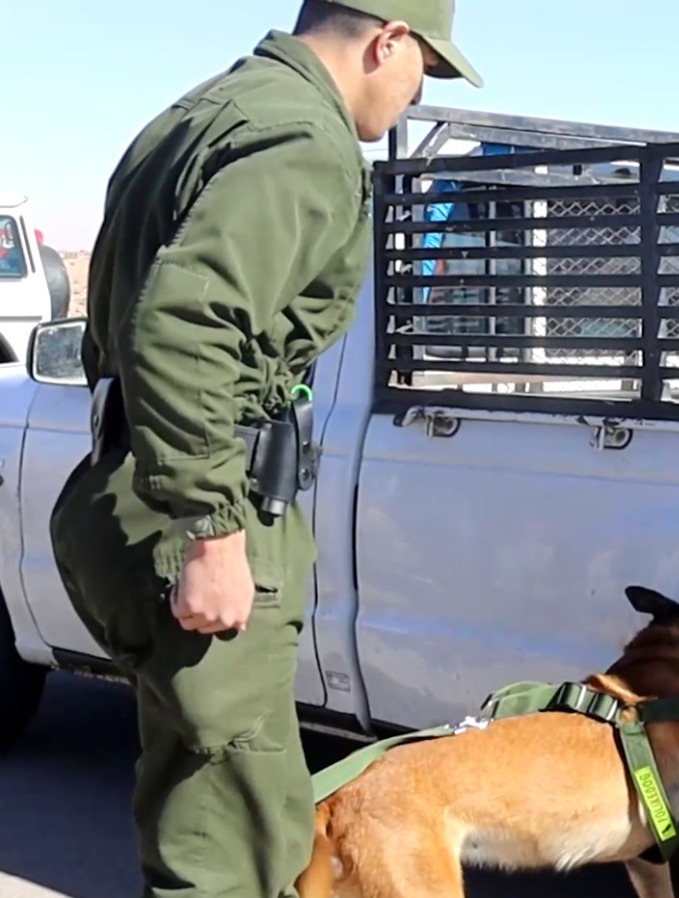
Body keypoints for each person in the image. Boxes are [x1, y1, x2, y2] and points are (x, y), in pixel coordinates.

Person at [47, 3, 481, 898]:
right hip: (199, 509)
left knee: (213, 809)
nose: (415, 96)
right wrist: (214, 531)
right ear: (388, 40)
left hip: (134, 486)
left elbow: (137, 317)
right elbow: (184, 325)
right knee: (237, 847)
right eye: (424, 71)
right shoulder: (303, 140)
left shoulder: (203, 111)